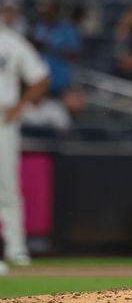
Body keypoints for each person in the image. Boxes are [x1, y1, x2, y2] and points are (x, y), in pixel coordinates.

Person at [0, 15, 50, 269]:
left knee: (7, 186)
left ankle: (16, 248)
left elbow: (40, 76)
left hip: (3, 121)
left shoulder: (11, 42)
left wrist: (20, 105)